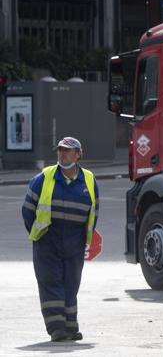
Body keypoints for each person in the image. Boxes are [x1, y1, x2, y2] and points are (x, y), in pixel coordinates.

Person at [21, 137, 99, 343]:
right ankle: (56, 328)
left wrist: (85, 238)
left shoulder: (89, 180)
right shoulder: (44, 178)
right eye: (60, 151)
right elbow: (28, 210)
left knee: (71, 284)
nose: (62, 154)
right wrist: (39, 235)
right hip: (48, 239)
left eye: (67, 151)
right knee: (51, 283)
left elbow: (94, 212)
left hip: (75, 241)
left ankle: (71, 327)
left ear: (78, 154)